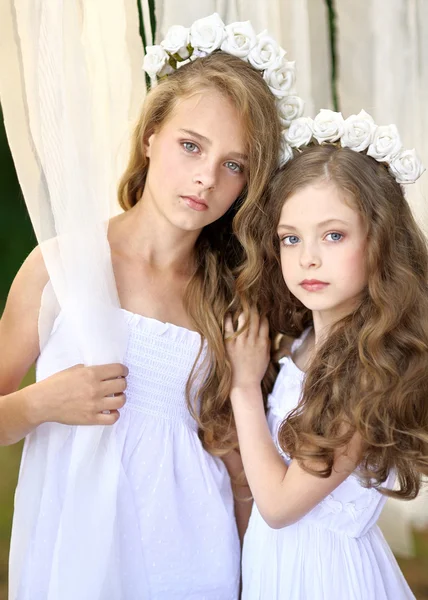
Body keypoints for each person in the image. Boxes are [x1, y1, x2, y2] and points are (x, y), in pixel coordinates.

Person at [0, 13, 303, 598]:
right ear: (150, 135)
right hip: (77, 561)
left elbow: (241, 468)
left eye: (233, 164)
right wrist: (40, 404)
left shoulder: (231, 300)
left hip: (194, 565)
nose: (205, 178)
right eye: (191, 146)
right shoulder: (61, 267)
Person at [225, 110, 428, 599]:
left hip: (325, 578)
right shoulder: (299, 345)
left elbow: (278, 506)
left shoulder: (368, 367)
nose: (308, 258)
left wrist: (242, 387)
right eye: (291, 238)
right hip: (275, 570)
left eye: (333, 235)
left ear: (379, 241)